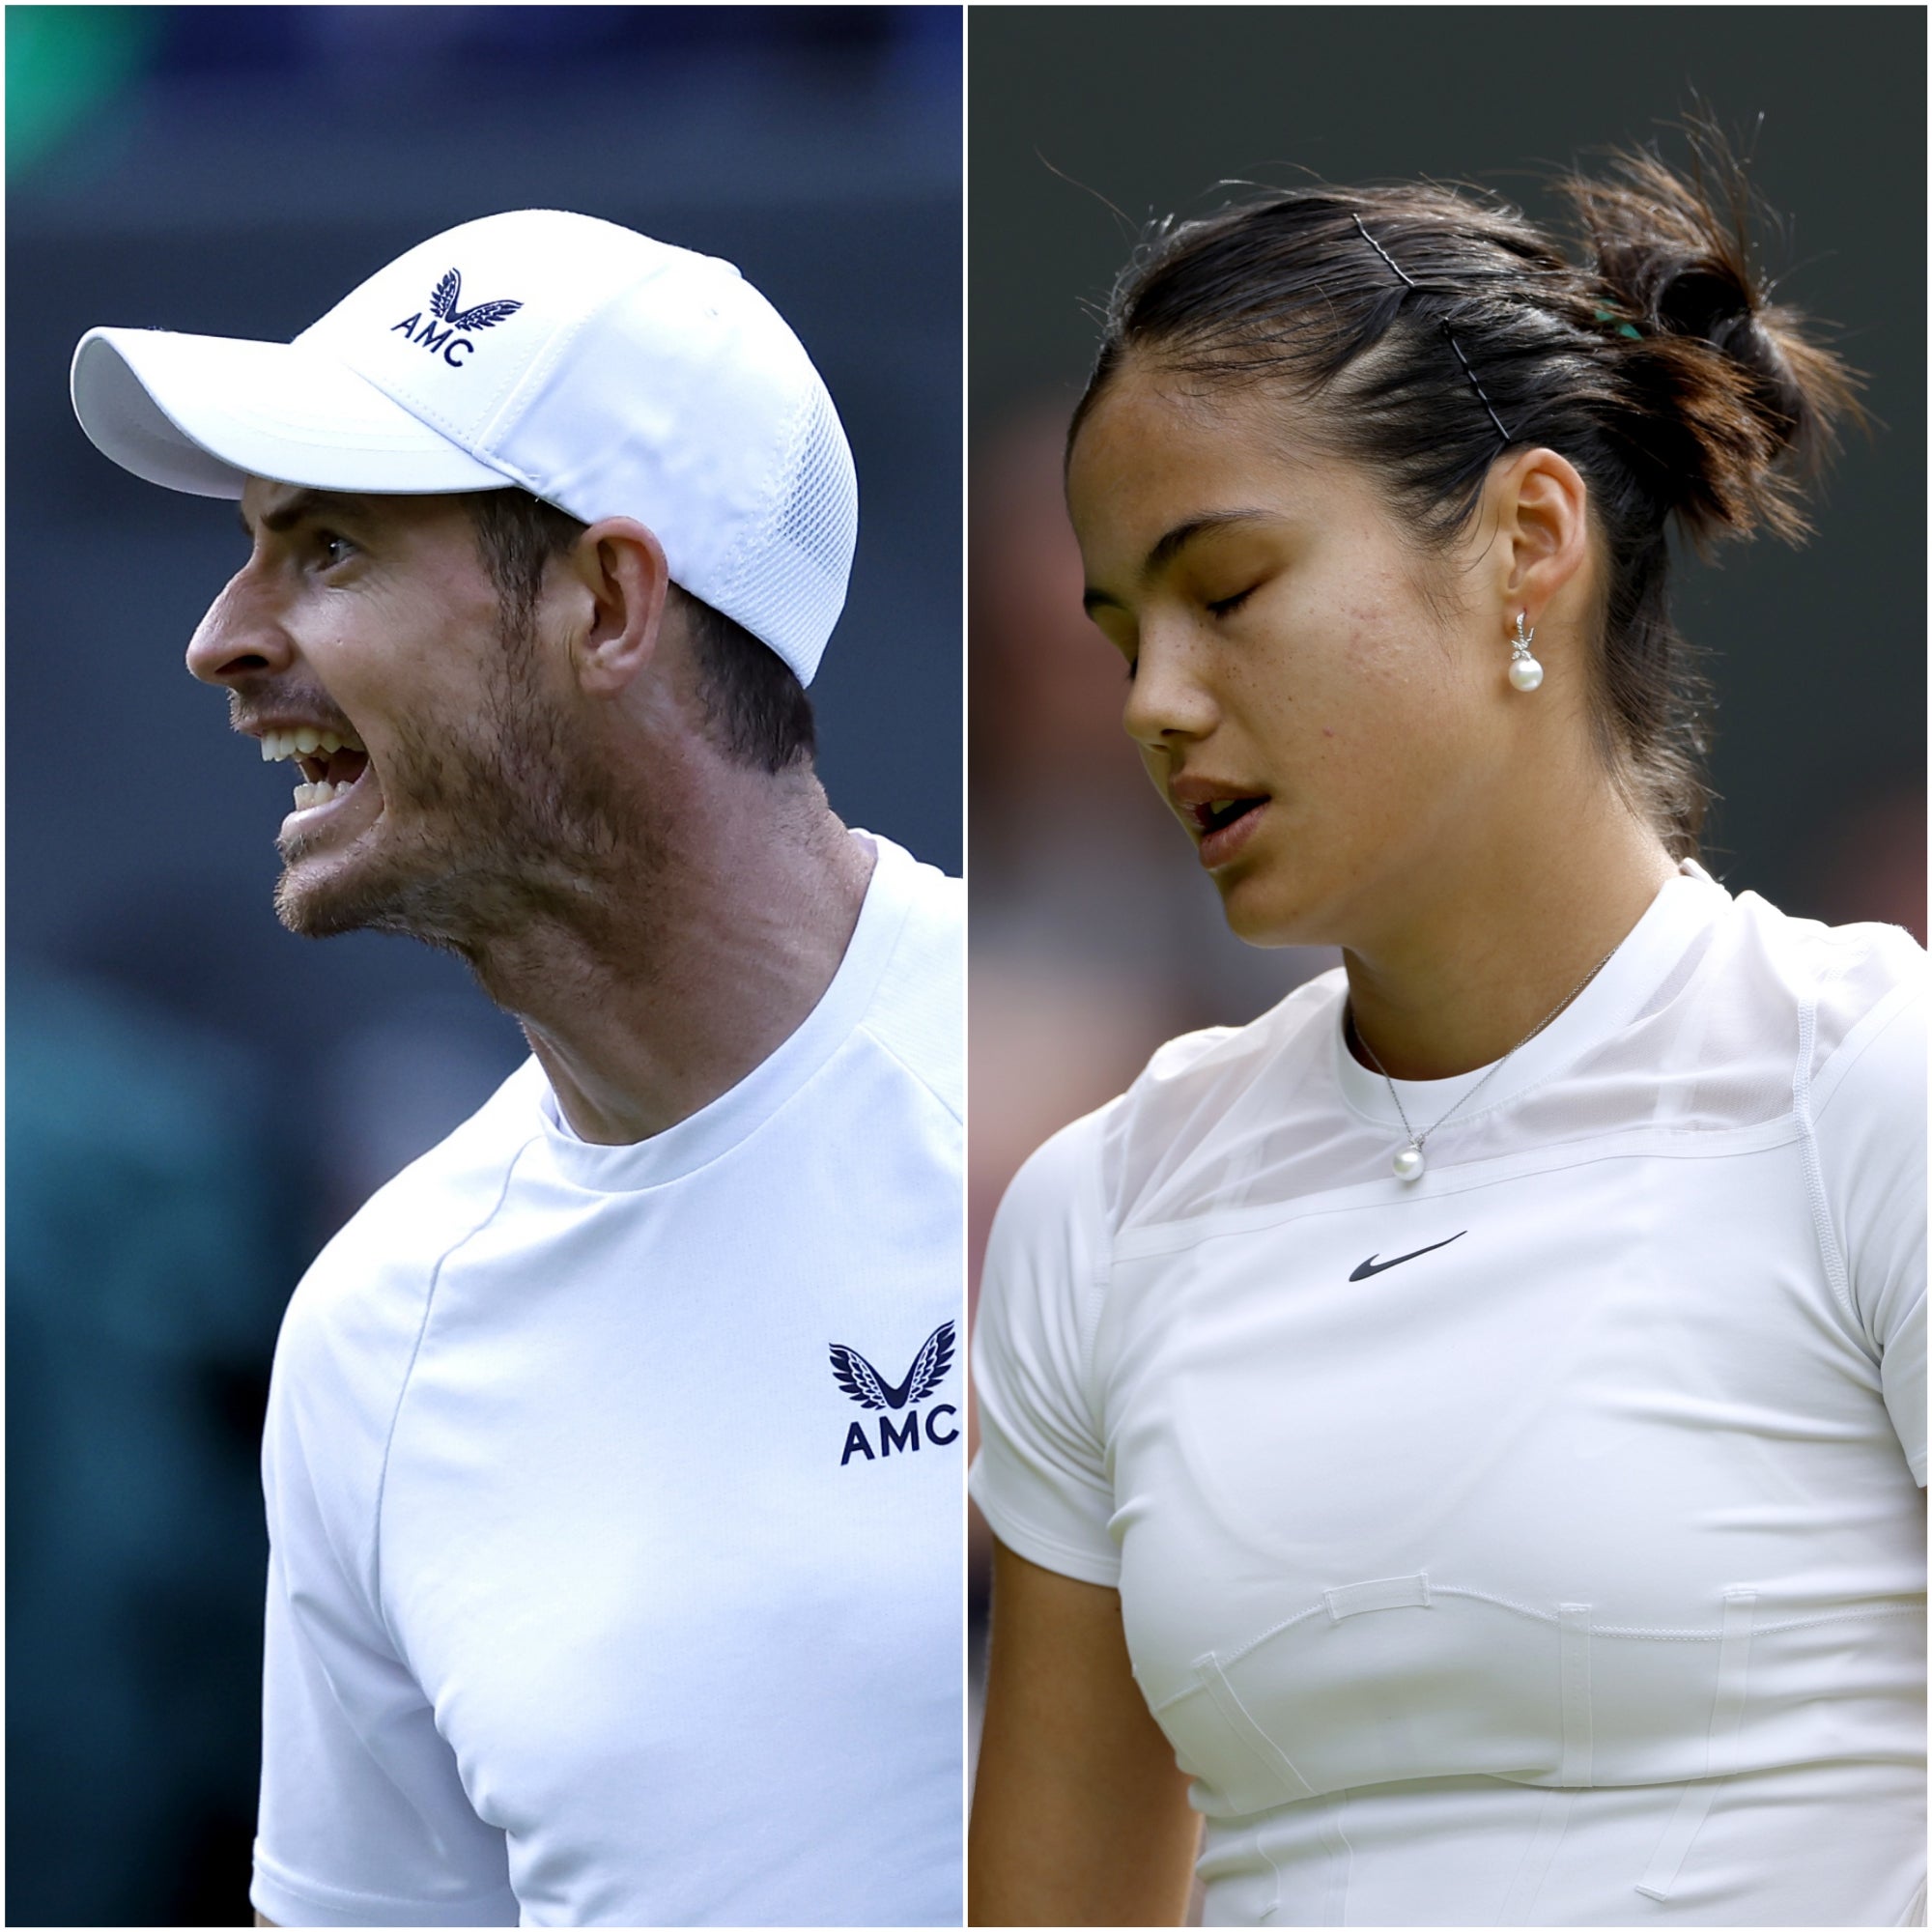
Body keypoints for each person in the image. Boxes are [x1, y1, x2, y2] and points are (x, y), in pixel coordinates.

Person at [969, 128, 1925, 1928]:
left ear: (1526, 543)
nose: (1156, 704)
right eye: (1121, 635)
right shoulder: (1100, 1214)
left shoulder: (1874, 1089)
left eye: (1228, 592)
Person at [71, 208, 963, 1929]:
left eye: (324, 551)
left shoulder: (1091, 1130)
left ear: (610, 604)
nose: (224, 637)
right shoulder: (369, 1339)